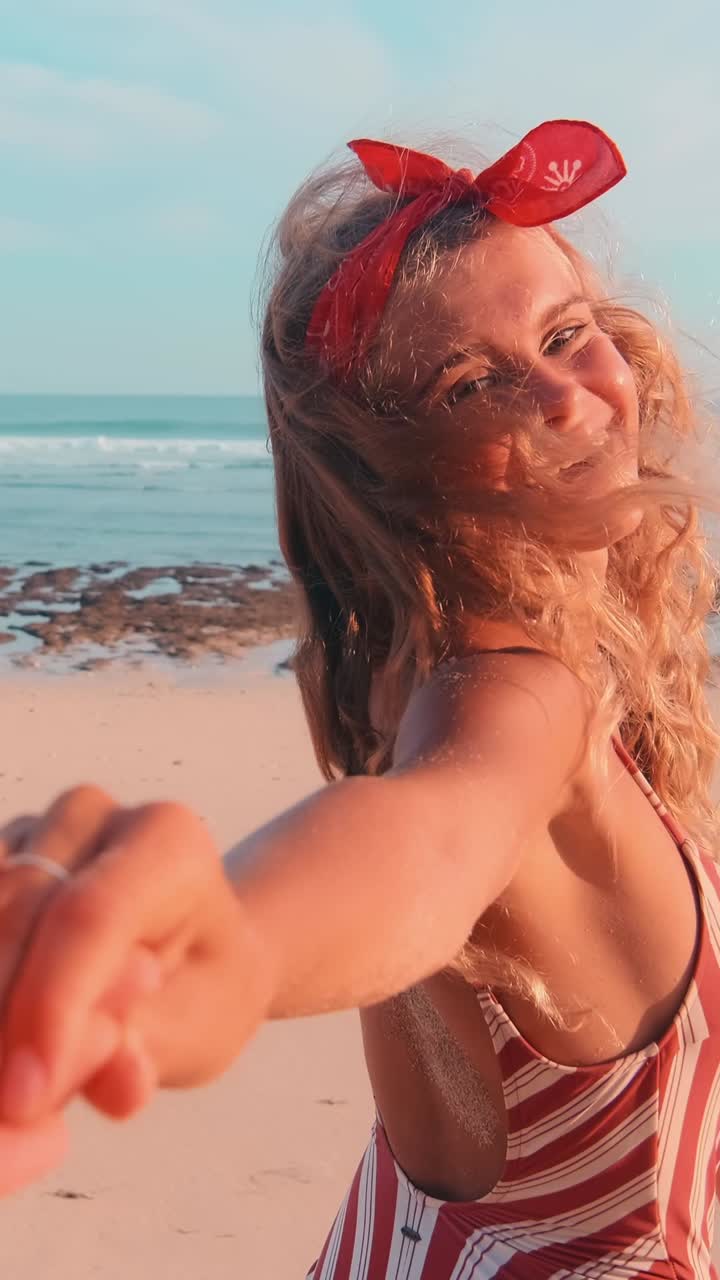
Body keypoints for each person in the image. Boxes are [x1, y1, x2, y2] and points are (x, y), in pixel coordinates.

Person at [0, 118, 718, 1278]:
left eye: (567, 333)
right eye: (473, 382)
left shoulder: (446, 669)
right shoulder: (516, 699)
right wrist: (218, 945)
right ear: (394, 468)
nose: (563, 396)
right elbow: (429, 835)